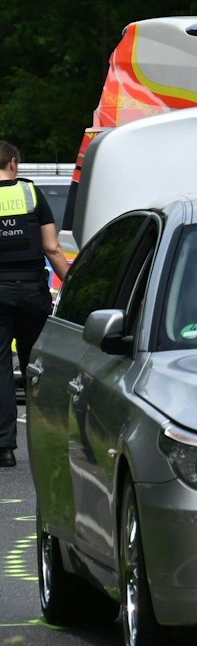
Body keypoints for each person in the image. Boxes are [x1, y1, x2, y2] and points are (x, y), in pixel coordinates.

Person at [0, 144, 69, 468]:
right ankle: (49, 443)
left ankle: (4, 448)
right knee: (37, 368)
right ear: (14, 162)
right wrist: (73, 284)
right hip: (31, 291)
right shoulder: (30, 193)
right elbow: (52, 247)